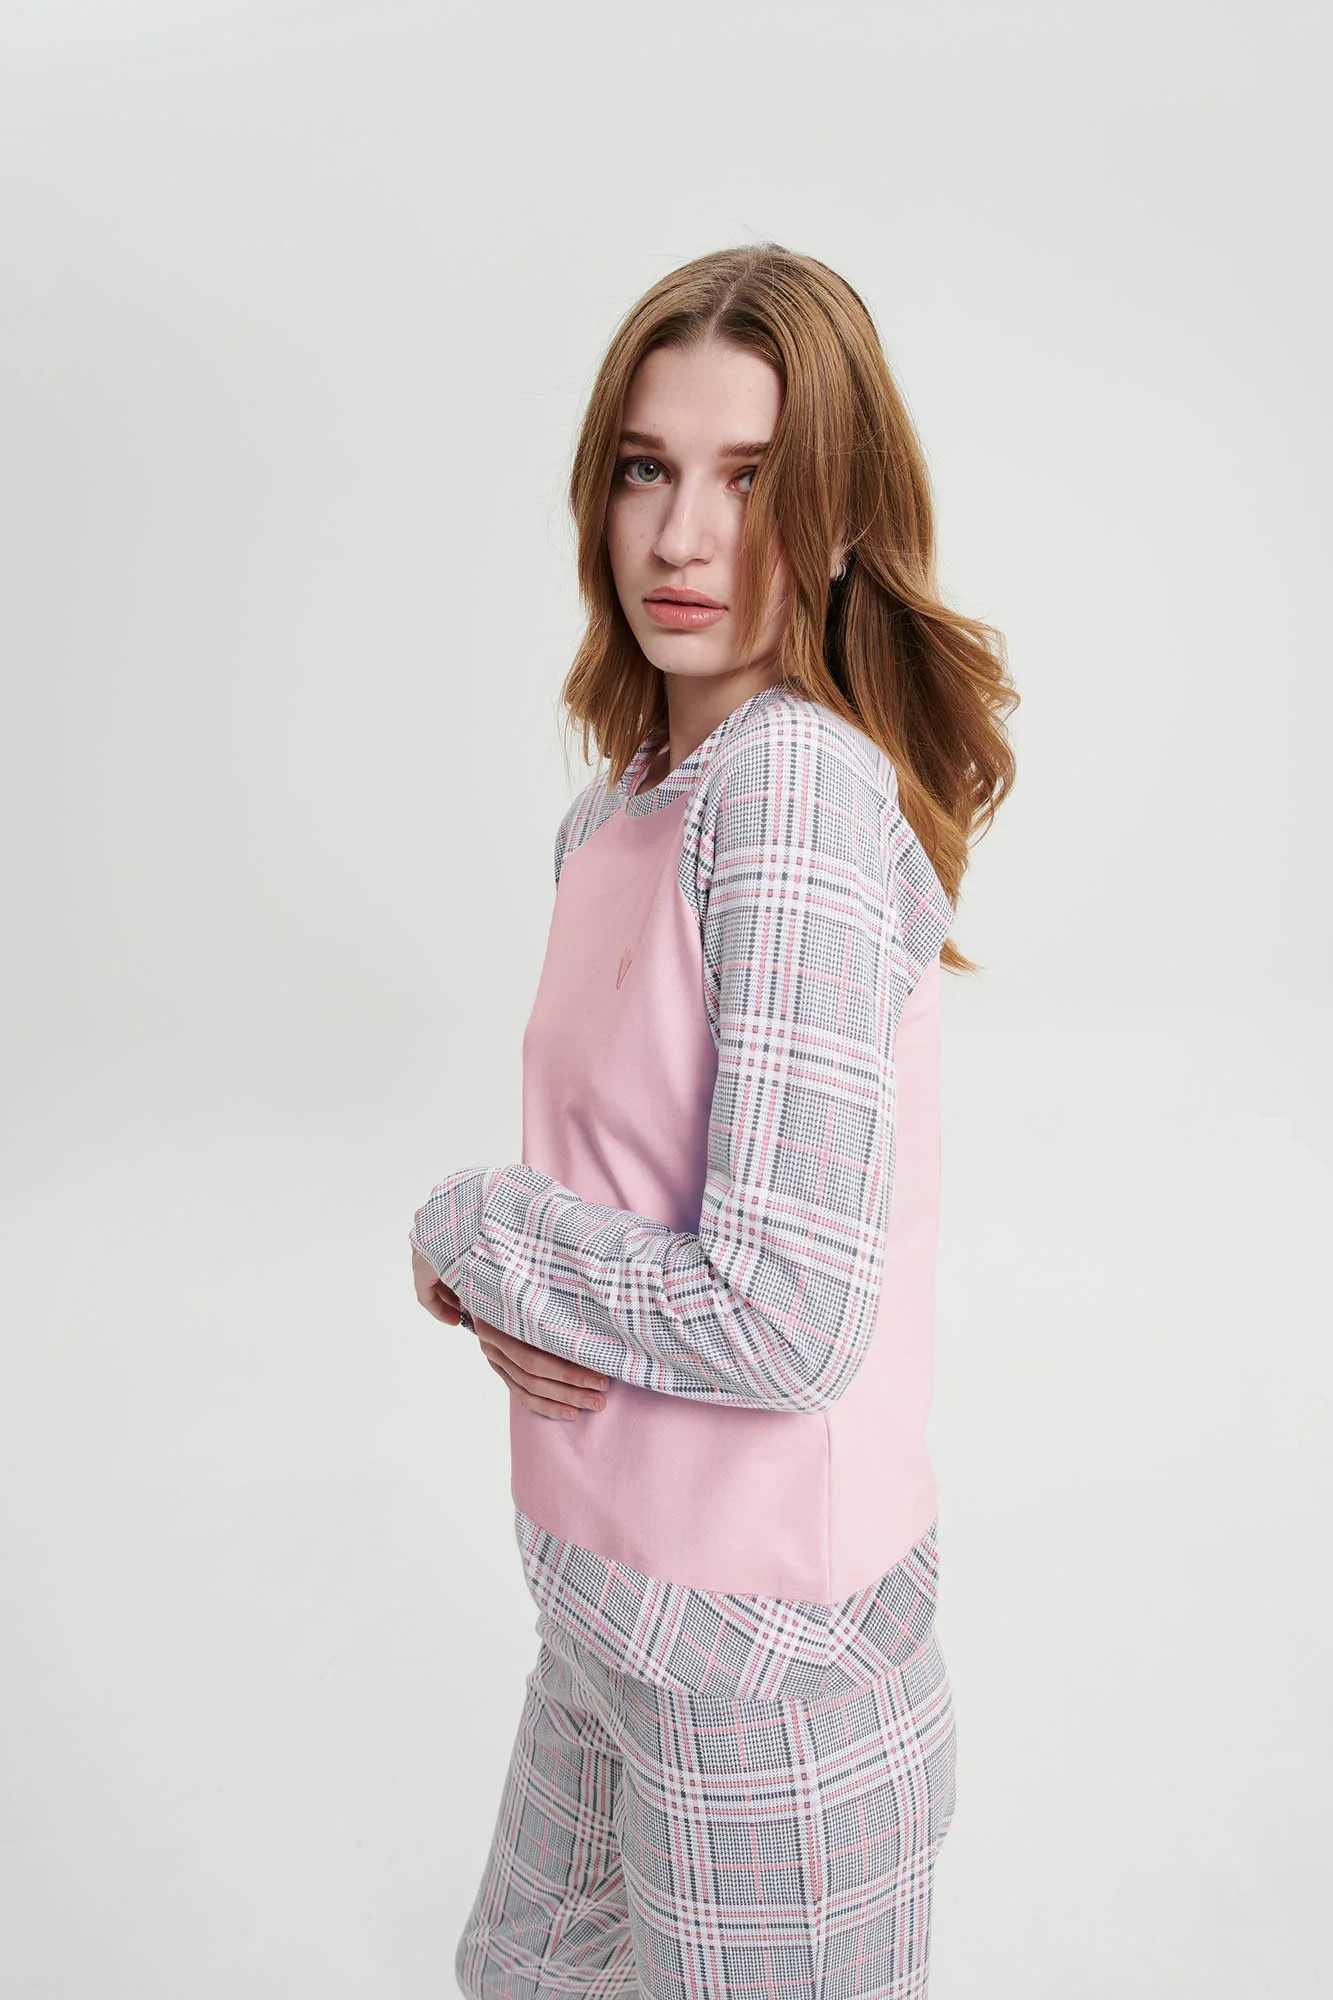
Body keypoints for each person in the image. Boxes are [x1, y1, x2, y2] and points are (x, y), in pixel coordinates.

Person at [409, 241, 1017, 2000]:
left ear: (838, 521)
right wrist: (508, 1290)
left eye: (752, 480)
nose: (684, 536)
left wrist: (475, 1231)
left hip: (764, 1688)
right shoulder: (626, 809)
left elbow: (784, 1310)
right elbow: (624, 1203)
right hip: (611, 1619)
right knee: (521, 1974)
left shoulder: (795, 791)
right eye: (646, 469)